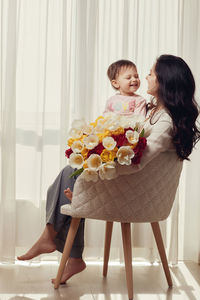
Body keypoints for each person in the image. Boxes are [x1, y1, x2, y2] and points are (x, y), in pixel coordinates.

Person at [17, 54, 200, 285]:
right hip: (130, 187)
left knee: (70, 175)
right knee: (71, 176)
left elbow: (138, 162)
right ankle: (67, 250)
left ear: (164, 80)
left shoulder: (165, 121)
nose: (145, 77)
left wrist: (96, 172)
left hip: (134, 195)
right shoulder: (156, 112)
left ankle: (52, 238)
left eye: (151, 73)